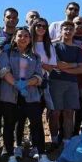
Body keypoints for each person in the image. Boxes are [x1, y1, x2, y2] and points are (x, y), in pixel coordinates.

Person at [0, 27, 55, 162]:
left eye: (26, 36)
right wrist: (17, 84)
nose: (23, 38)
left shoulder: (35, 57)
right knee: (10, 124)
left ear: (30, 39)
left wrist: (26, 83)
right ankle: (11, 156)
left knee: (37, 124)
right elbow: (4, 71)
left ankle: (42, 156)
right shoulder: (6, 53)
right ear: (15, 38)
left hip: (31, 95)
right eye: (20, 36)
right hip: (10, 94)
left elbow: (39, 77)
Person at [49, 22, 82, 144]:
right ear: (61, 30)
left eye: (71, 29)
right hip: (56, 82)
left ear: (74, 32)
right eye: (66, 29)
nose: (68, 31)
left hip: (72, 84)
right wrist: (74, 65)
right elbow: (57, 65)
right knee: (55, 112)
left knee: (69, 113)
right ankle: (54, 141)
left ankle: (67, 142)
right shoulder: (54, 47)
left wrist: (66, 67)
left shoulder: (78, 49)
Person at [31, 18, 57, 147]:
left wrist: (38, 63)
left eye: (44, 26)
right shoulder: (28, 43)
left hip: (43, 83)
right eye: (38, 25)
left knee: (42, 114)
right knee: (32, 116)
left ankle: (39, 145)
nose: (41, 28)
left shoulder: (49, 46)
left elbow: (52, 68)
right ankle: (31, 144)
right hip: (28, 83)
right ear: (34, 27)